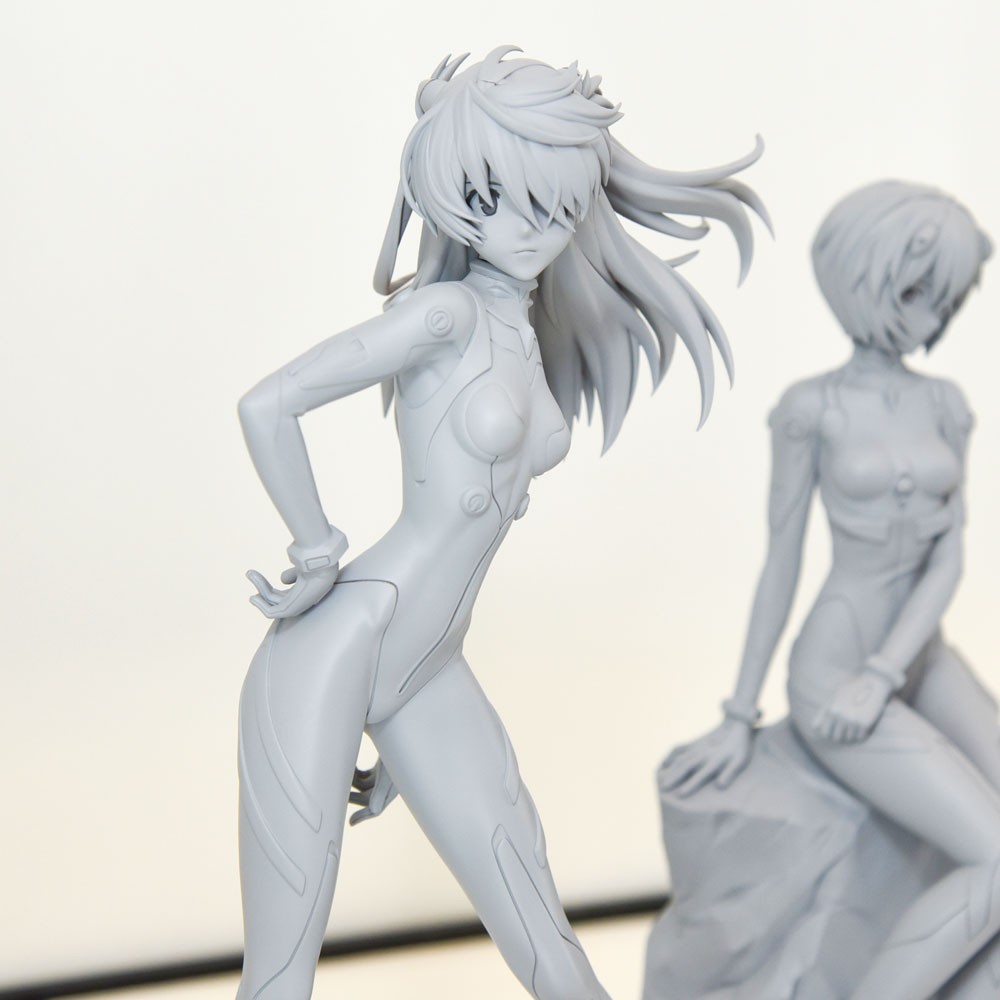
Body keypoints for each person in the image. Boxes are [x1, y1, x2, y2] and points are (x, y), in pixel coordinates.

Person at [236, 46, 766, 999]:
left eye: (553, 206)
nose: (527, 229)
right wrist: (315, 547)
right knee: (281, 976)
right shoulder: (441, 317)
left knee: (547, 939)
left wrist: (401, 725)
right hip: (338, 647)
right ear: (448, 195)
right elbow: (268, 404)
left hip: (430, 666)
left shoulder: (522, 331)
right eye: (491, 198)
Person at [661, 180, 996, 1000]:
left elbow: (948, 560)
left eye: (948, 299)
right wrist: (739, 713)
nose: (935, 317)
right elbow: (781, 562)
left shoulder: (946, 406)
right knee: (994, 859)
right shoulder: (810, 410)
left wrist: (887, 672)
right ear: (866, 276)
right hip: (832, 671)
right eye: (919, 292)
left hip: (916, 661)